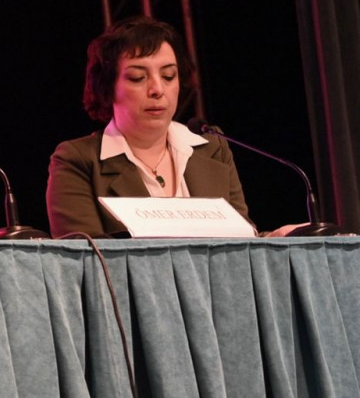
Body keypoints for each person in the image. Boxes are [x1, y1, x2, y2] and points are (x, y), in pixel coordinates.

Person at [45, 15, 250, 237]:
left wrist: (271, 238)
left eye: (168, 76)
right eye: (138, 77)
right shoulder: (79, 161)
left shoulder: (212, 147)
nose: (157, 89)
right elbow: (86, 254)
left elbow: (244, 239)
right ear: (107, 87)